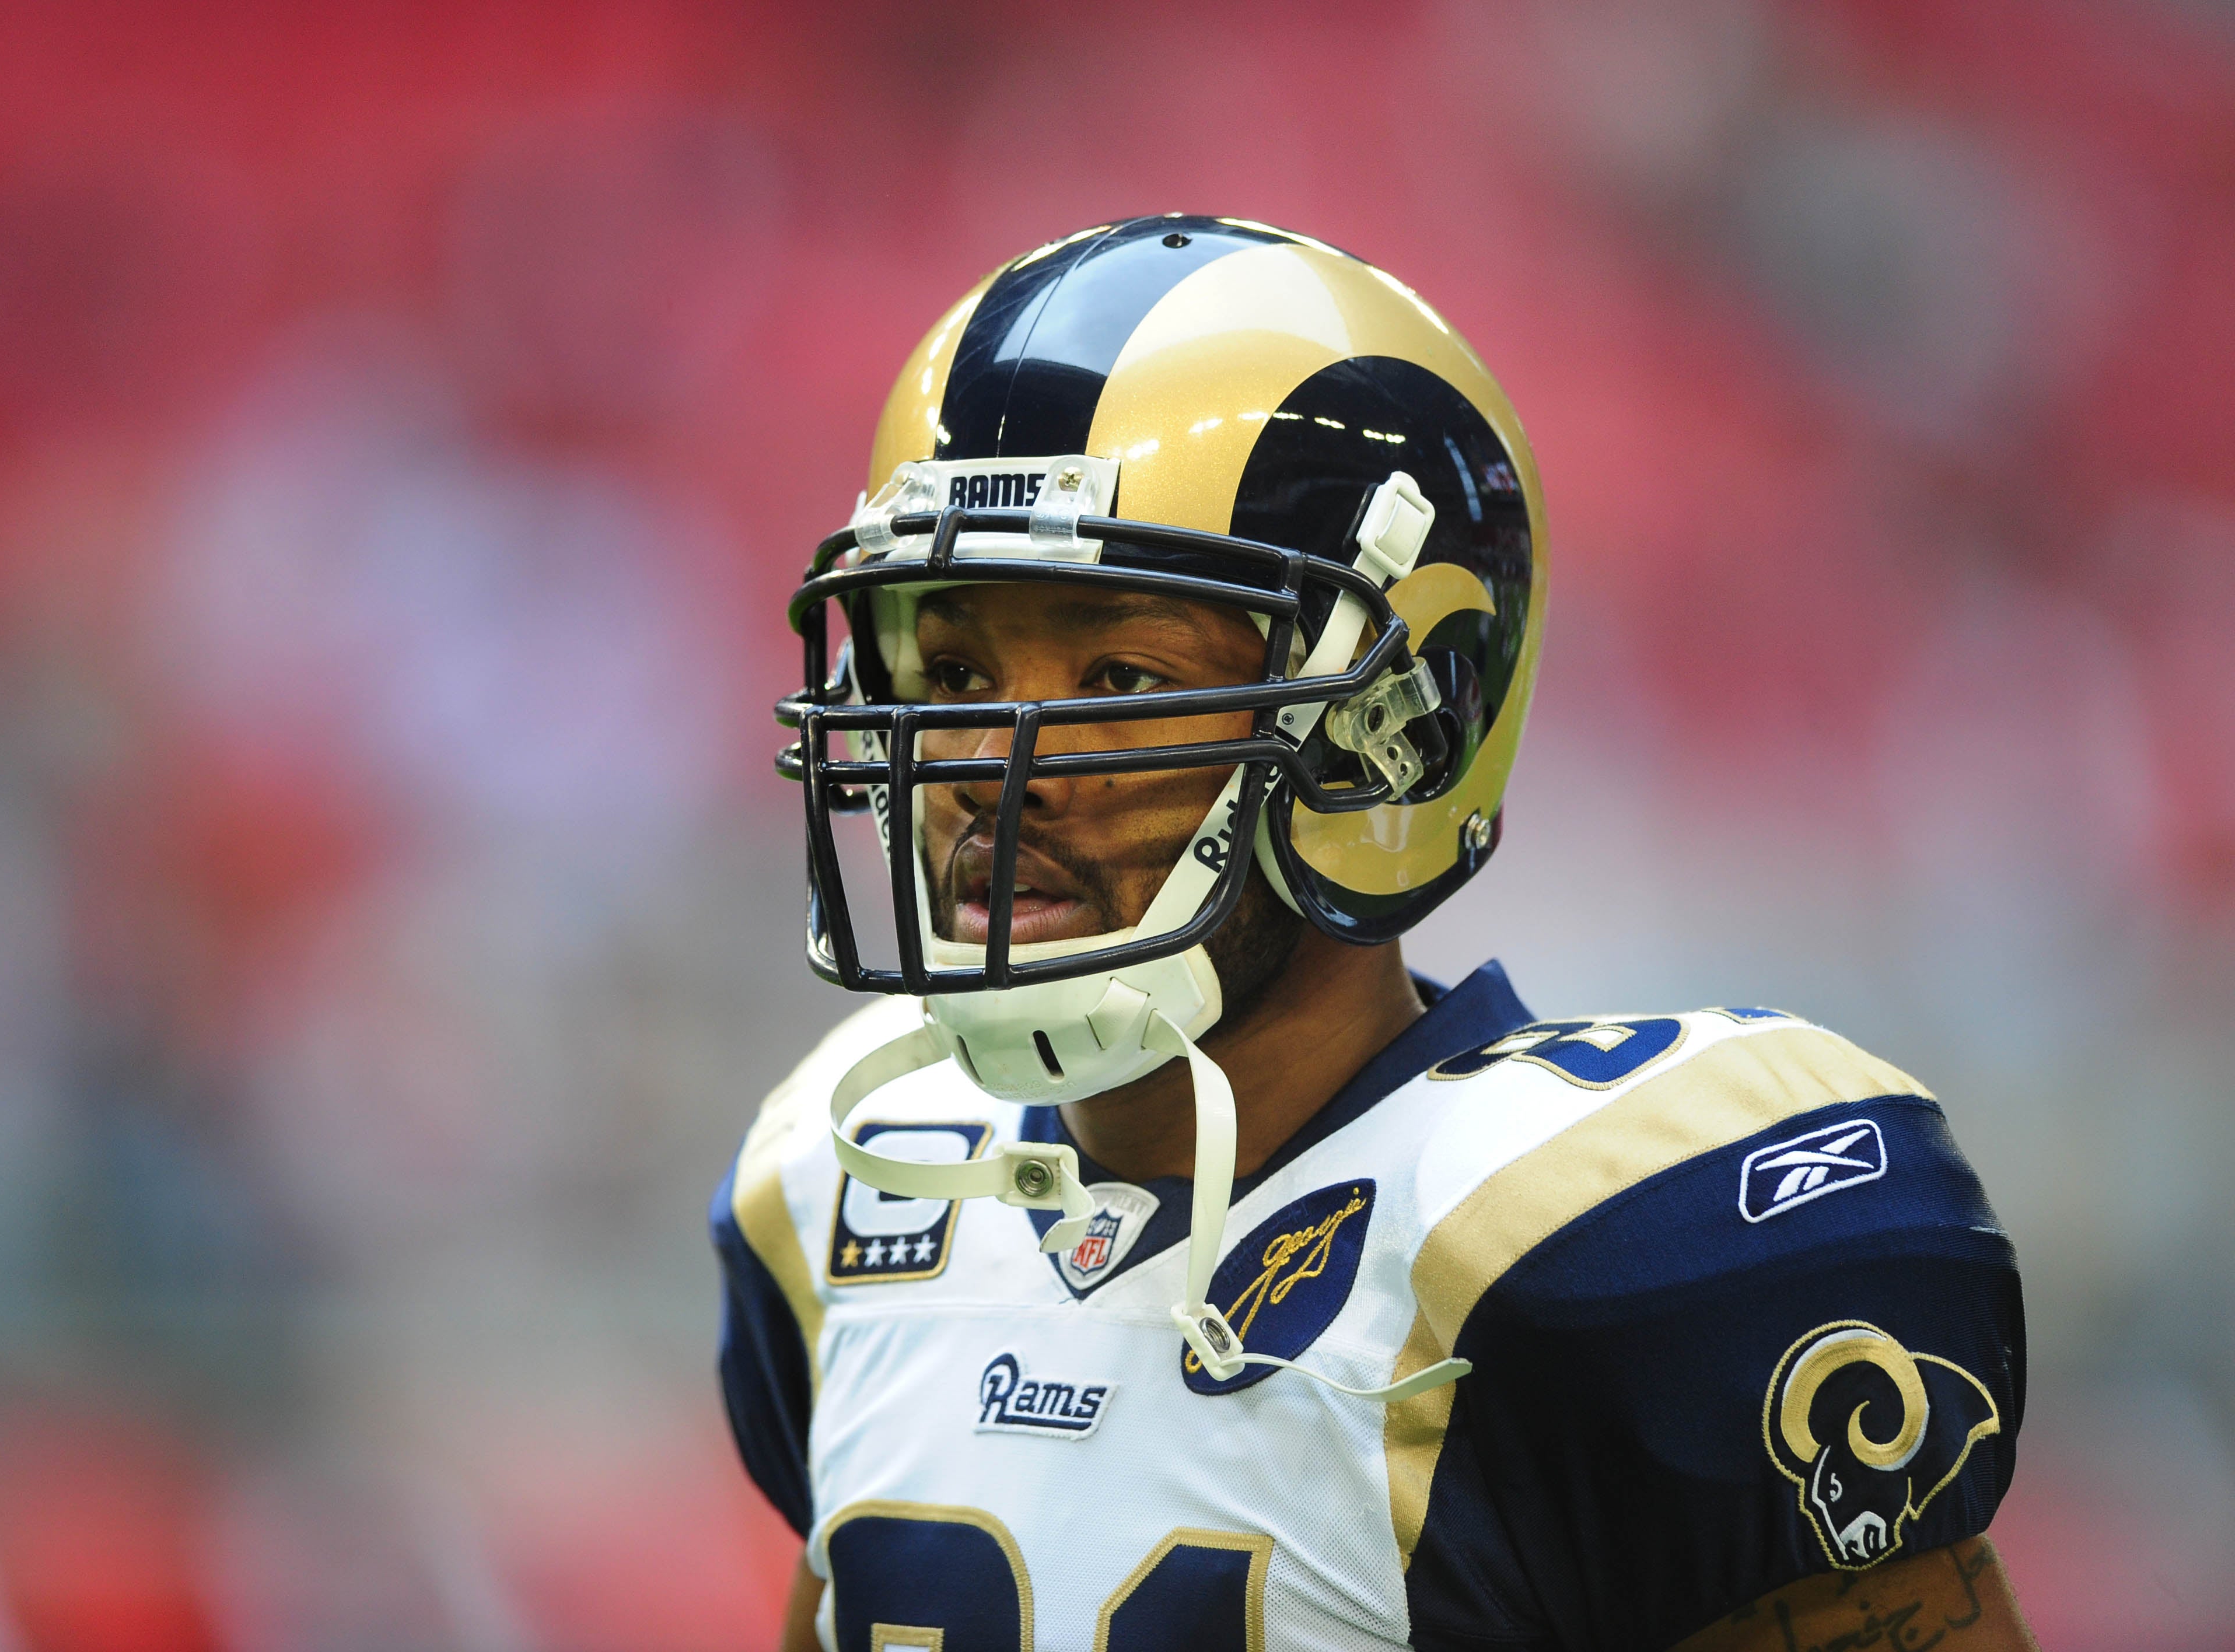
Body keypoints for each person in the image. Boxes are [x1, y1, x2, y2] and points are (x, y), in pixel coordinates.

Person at [712, 215, 2034, 1652]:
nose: (983, 760)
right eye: (954, 666)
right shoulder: (849, 1193)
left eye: (1117, 669)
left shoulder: (1594, 1253)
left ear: (1390, 735)